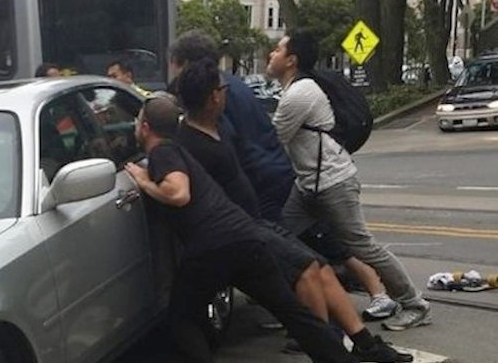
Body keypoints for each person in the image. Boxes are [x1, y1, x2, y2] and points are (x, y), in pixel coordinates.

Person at [173, 58, 411, 362]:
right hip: (243, 231)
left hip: (257, 219)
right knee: (306, 275)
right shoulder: (190, 143)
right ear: (213, 98)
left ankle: (365, 341)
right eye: (222, 89)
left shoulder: (219, 127)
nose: (227, 93)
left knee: (320, 265)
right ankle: (332, 347)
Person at [123, 96, 356, 363]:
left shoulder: (162, 152)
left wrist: (143, 181)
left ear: (145, 128)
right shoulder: (177, 150)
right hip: (245, 237)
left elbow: (178, 193)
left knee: (181, 319)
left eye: (137, 122)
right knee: (293, 313)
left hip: (211, 246)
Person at [267, 30, 432, 331]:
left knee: (362, 246)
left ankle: (414, 303)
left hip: (332, 182)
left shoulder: (299, 94)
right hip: (309, 185)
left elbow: (272, 139)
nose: (271, 55)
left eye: (277, 50)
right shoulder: (295, 90)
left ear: (291, 60)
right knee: (282, 236)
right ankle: (304, 304)